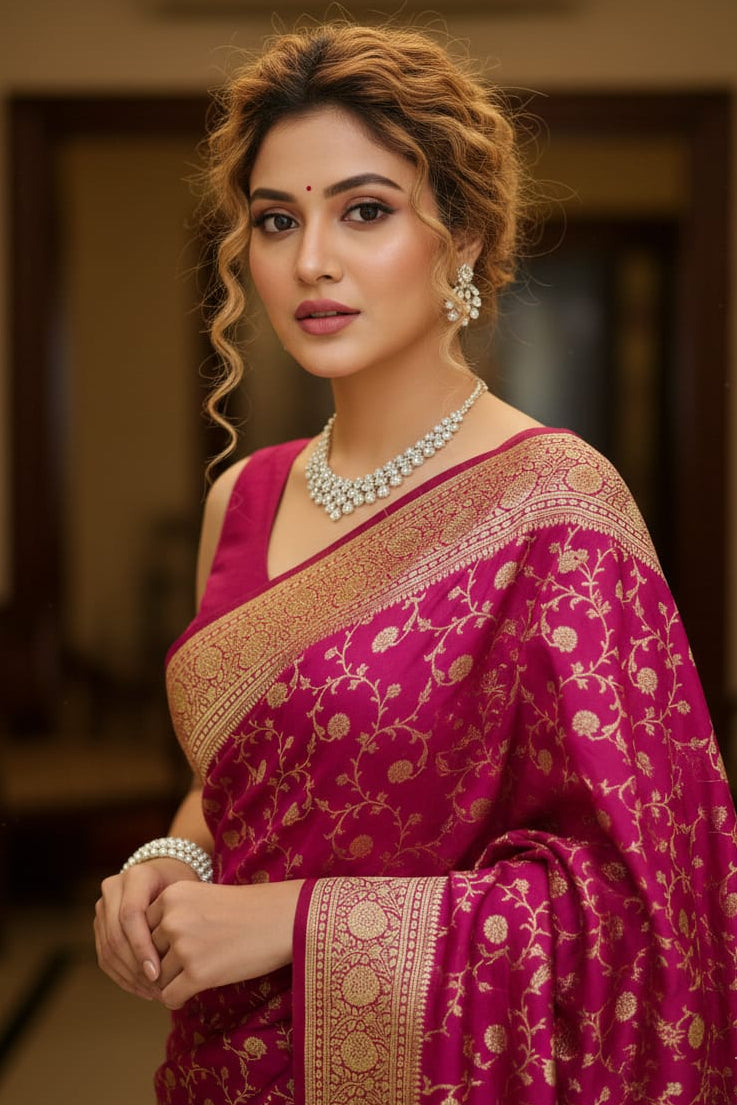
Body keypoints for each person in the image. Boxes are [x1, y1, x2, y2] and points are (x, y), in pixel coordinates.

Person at [94, 21, 737, 1104]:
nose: (311, 259)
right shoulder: (241, 498)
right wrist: (171, 860)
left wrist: (298, 922)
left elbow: (645, 907)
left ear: (463, 238)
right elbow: (238, 778)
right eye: (275, 219)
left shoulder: (556, 508)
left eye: (365, 210)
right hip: (223, 1063)